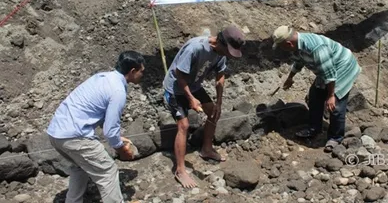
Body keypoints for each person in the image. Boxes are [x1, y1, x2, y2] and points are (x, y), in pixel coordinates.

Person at [46, 51, 146, 203]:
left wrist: (117, 138)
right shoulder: (118, 90)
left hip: (56, 133)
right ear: (132, 71)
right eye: (141, 71)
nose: (142, 75)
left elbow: (97, 112)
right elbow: (110, 130)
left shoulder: (102, 77)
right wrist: (121, 149)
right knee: (108, 172)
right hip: (75, 136)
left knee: (80, 166)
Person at [163, 25, 245, 188]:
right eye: (228, 51)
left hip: (194, 86)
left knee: (214, 113)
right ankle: (180, 169)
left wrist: (219, 103)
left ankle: (206, 148)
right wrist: (191, 99)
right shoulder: (195, 47)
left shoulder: (221, 53)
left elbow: (220, 76)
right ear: (220, 42)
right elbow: (180, 75)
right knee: (184, 125)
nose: (228, 55)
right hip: (176, 88)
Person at [271, 26, 361, 152]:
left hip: (342, 67)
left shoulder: (317, 48)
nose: (282, 49)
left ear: (288, 43)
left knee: (336, 105)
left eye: (281, 46)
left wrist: (330, 96)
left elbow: (330, 75)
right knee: (315, 95)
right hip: (326, 69)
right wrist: (290, 77)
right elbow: (299, 61)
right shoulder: (298, 45)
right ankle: (314, 128)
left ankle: (335, 138)